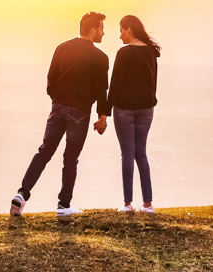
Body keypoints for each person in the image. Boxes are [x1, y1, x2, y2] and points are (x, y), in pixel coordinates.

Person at [9, 12, 110, 217]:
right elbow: (102, 90)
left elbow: (51, 79)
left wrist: (57, 100)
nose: (103, 33)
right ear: (92, 30)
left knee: (44, 152)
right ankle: (64, 205)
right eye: (101, 29)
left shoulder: (62, 48)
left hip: (57, 107)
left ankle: (22, 194)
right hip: (80, 112)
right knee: (70, 159)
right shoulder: (100, 58)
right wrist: (102, 117)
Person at [106, 14, 160, 213]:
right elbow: (153, 82)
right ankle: (147, 204)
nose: (120, 36)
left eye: (121, 31)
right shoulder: (151, 53)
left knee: (127, 155)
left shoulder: (124, 53)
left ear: (129, 29)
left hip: (125, 110)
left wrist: (104, 112)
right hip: (146, 109)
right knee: (141, 155)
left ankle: (127, 204)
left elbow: (115, 86)